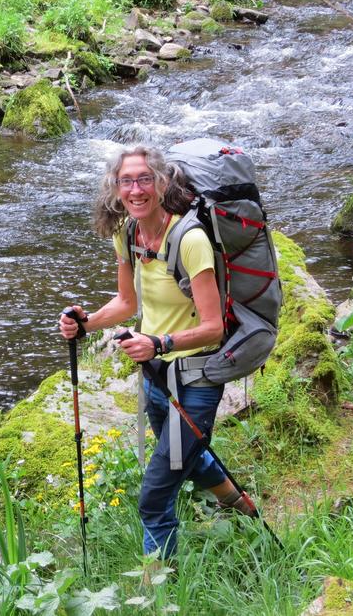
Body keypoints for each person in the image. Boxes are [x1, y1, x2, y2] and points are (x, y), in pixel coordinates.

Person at [58, 144, 254, 566]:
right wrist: (84, 322)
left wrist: (159, 343)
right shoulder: (127, 233)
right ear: (115, 188)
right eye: (126, 181)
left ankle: (158, 594)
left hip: (197, 379)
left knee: (154, 496)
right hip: (155, 375)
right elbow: (127, 304)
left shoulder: (190, 239)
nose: (136, 189)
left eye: (144, 178)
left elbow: (213, 327)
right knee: (188, 456)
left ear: (161, 183)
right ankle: (243, 509)